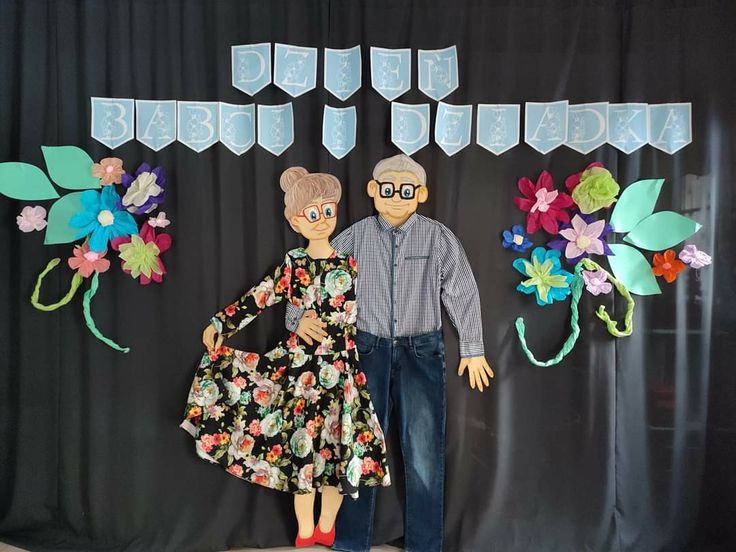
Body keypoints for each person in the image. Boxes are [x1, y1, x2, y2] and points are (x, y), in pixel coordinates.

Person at [286, 154, 494, 552]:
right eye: (388, 187)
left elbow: (462, 290)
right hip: (365, 349)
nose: (397, 196)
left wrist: (472, 348)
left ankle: (424, 545)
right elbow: (315, 273)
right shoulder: (354, 236)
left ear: (421, 193)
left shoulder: (437, 237)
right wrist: (298, 318)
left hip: (422, 350)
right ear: (372, 190)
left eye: (406, 189)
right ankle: (349, 541)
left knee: (423, 453)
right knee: (355, 449)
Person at [180, 167, 390, 548]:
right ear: (295, 219)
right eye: (313, 213)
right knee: (303, 454)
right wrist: (222, 324)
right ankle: (306, 531)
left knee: (340, 455)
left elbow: (373, 310)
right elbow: (259, 297)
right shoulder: (293, 264)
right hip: (301, 373)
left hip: (343, 371)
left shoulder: (351, 265)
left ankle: (327, 526)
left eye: (328, 210)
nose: (322, 219)